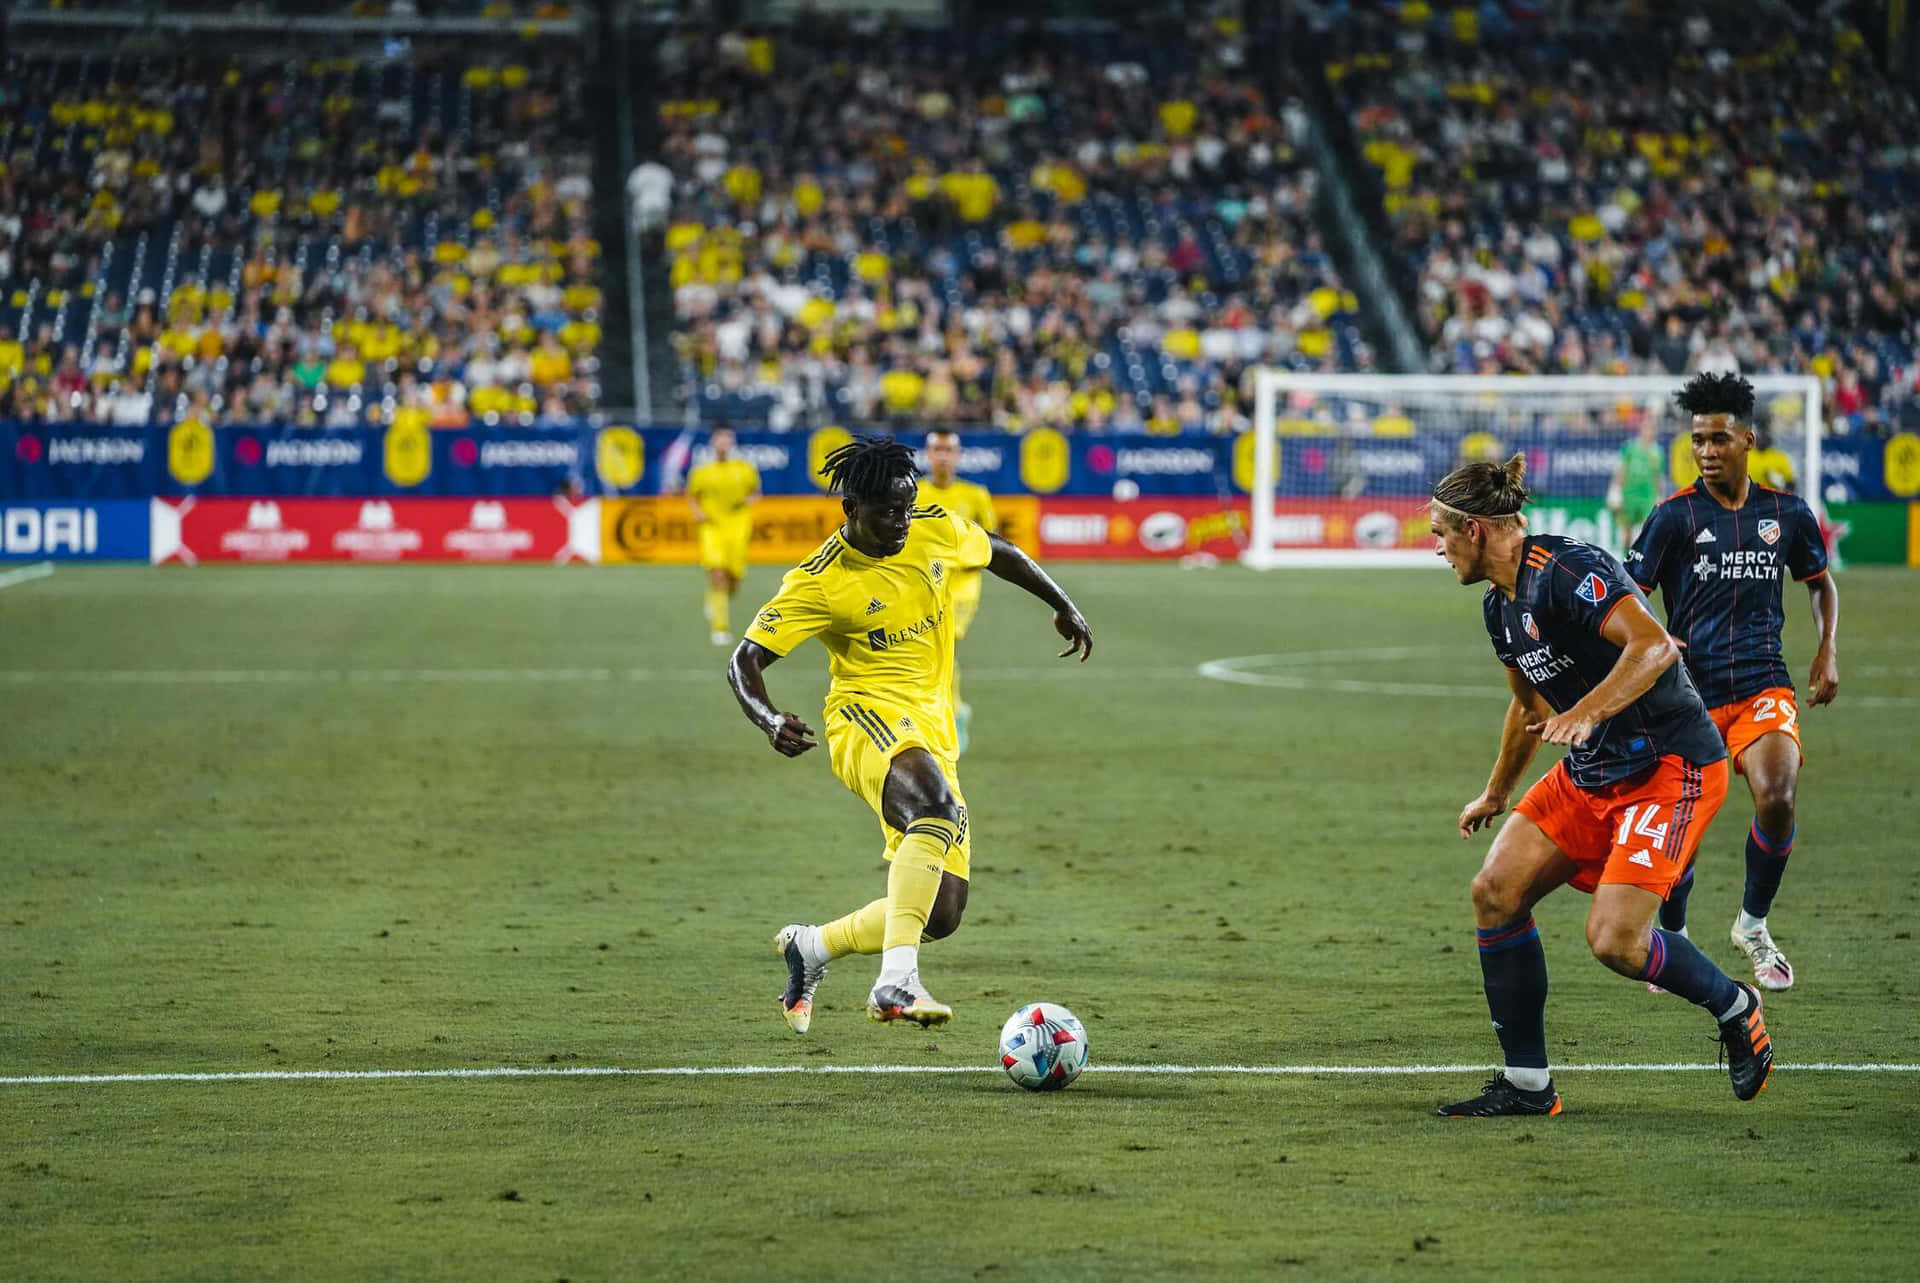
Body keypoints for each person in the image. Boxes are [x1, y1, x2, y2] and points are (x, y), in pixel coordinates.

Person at [1431, 453, 1773, 1117]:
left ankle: (1736, 1005)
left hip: (1670, 766)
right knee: (1494, 890)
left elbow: (1653, 646)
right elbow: (1528, 705)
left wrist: (1588, 711)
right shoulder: (1500, 608)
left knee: (1615, 940)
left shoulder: (1565, 570)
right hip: (1593, 771)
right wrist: (1497, 791)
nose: (1437, 550)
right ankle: (1529, 1085)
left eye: (1441, 534)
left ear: (1474, 529)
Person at [726, 435, 1092, 1033]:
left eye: (905, 507)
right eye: (885, 512)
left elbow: (994, 549)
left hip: (934, 726)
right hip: (864, 718)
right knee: (933, 808)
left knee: (941, 910)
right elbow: (744, 662)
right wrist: (769, 719)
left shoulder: (929, 525)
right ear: (850, 510)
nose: (900, 522)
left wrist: (1061, 601)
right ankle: (896, 980)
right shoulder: (818, 581)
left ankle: (812, 947)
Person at [1626, 372, 1840, 991]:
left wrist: (1826, 648)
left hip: (1761, 685)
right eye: (1698, 441)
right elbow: (1626, 600)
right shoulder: (1672, 518)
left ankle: (1752, 925)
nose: (1707, 451)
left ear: (1748, 438)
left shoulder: (1787, 514)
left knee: (1778, 798)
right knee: (1682, 839)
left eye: (1718, 439)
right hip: (1687, 699)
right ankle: (1675, 935)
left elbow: (1820, 583)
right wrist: (1654, 638)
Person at [915, 430, 999, 752]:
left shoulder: (975, 494)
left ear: (959, 455)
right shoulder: (915, 493)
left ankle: (952, 714)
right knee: (935, 652)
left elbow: (991, 539)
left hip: (963, 587)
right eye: (937, 449)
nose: (942, 456)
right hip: (923, 586)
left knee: (944, 644)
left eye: (949, 449)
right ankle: (951, 710)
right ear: (927, 453)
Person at [685, 427, 760, 645]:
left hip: (738, 527)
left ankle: (713, 600)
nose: (723, 443)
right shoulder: (702, 471)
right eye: (719, 438)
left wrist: (749, 500)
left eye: (727, 439)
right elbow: (691, 495)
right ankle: (720, 627)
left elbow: (756, 491)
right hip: (712, 527)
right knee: (717, 574)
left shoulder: (744, 469)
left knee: (733, 579)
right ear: (713, 442)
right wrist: (697, 511)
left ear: (732, 442)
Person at [1606, 414, 1665, 551]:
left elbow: (1657, 476)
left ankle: (1643, 566)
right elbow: (1621, 471)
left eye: (1652, 429)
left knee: (1648, 532)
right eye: (1646, 428)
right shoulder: (1630, 448)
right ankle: (1625, 563)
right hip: (1629, 496)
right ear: (1641, 429)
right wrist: (1615, 492)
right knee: (1626, 533)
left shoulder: (1657, 452)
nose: (1649, 432)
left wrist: (1660, 496)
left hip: (1647, 497)